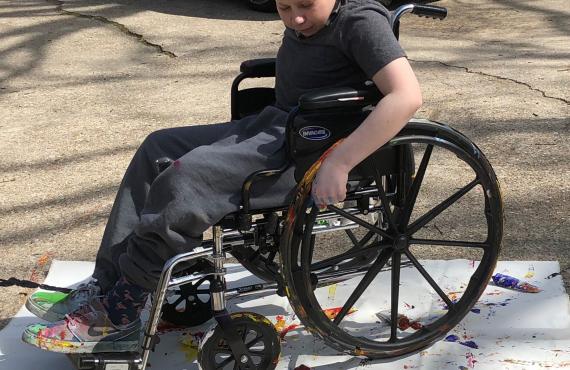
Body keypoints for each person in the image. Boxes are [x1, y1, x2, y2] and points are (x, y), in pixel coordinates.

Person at [22, 0, 422, 353]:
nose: (296, 18)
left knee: (187, 178)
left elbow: (406, 95)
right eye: (284, 8)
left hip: (308, 150)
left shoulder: (361, 21)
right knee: (157, 147)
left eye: (306, 5)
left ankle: (124, 309)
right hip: (273, 126)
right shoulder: (308, 18)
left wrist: (340, 163)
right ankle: (109, 280)